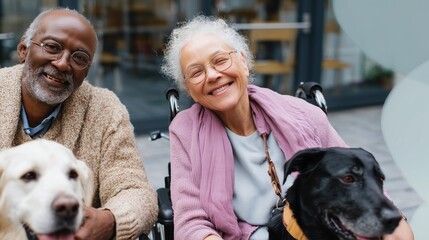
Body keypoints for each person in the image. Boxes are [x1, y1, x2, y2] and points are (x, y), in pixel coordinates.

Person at [160, 15, 414, 240]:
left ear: (243, 62)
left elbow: (355, 173)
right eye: (196, 72)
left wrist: (395, 222)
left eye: (220, 61)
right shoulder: (186, 131)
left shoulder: (303, 114)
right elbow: (191, 220)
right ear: (189, 88)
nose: (212, 75)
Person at [0, 8, 157, 240]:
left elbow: (135, 190)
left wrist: (111, 220)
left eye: (79, 58)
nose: (63, 64)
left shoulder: (106, 110)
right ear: (23, 50)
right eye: (52, 47)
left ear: (87, 71)